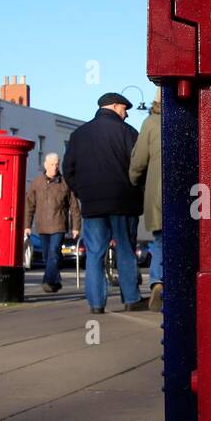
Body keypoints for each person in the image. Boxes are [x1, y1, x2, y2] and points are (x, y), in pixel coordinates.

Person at [62, 92, 144, 314]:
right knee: (126, 251)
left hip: (93, 206)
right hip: (123, 202)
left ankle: (97, 304)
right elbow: (139, 167)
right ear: (115, 106)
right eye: (125, 109)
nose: (126, 114)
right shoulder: (128, 133)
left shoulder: (79, 135)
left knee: (95, 254)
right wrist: (137, 191)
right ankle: (131, 299)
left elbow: (68, 169)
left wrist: (82, 193)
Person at [23, 152, 80, 293]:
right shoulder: (37, 183)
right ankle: (56, 281)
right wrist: (27, 225)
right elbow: (29, 205)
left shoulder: (65, 183)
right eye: (52, 164)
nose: (55, 167)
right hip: (42, 226)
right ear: (45, 165)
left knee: (54, 253)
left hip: (59, 225)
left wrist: (76, 227)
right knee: (46, 256)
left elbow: (74, 206)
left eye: (56, 164)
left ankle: (47, 281)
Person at [129, 89, 163, 312]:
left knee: (161, 240)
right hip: (195, 194)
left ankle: (158, 282)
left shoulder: (151, 122)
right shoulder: (192, 115)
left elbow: (139, 160)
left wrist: (133, 179)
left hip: (159, 193)